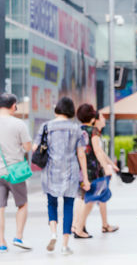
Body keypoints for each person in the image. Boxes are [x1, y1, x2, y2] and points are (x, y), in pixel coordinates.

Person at [32, 97, 90, 255]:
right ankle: (65, 245)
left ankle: (53, 233)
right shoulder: (76, 128)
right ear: (71, 111)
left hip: (50, 172)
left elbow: (35, 147)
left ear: (56, 109)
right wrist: (85, 177)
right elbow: (81, 154)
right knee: (69, 206)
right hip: (70, 172)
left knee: (51, 204)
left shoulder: (46, 127)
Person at [72, 110, 119, 235]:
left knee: (81, 198)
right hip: (92, 169)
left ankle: (77, 225)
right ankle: (79, 227)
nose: (104, 119)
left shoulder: (77, 129)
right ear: (94, 119)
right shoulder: (93, 131)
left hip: (79, 168)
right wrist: (107, 167)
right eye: (102, 116)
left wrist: (111, 164)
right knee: (91, 198)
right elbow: (98, 151)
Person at [0, 93, 32, 253]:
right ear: (13, 106)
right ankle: (18, 237)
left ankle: (1, 242)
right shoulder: (19, 124)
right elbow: (27, 148)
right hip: (15, 172)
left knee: (0, 208)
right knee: (22, 204)